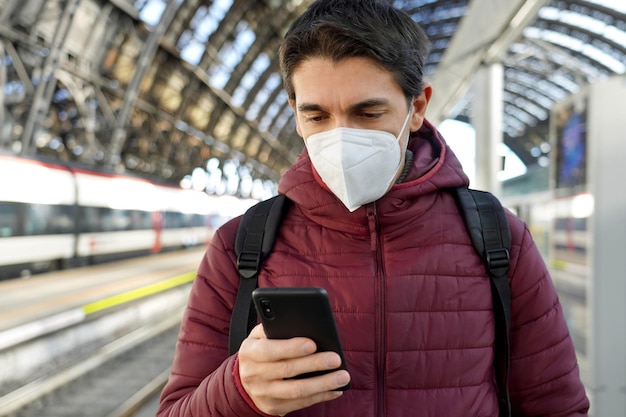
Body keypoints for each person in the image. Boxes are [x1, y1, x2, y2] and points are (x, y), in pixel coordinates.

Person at [156, 0, 590, 416]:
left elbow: (556, 405)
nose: (340, 139)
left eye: (368, 113)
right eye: (317, 116)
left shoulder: (499, 239)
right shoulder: (241, 246)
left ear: (416, 107)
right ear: (294, 112)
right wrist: (238, 392)